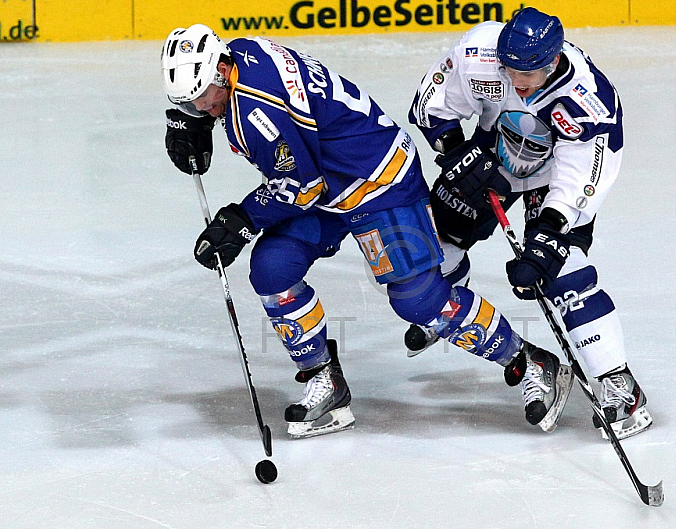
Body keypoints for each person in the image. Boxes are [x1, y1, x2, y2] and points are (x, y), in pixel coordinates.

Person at [160, 24, 574, 438]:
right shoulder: (240, 54)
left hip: (379, 181)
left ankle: (532, 361)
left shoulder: (255, 113)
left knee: (418, 299)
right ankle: (324, 378)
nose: (201, 108)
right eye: (189, 105)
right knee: (272, 268)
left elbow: (301, 186)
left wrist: (241, 218)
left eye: (200, 100)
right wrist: (193, 120)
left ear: (220, 73)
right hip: (328, 182)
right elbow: (302, 170)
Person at [407, 7, 652, 439]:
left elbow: (579, 181)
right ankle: (451, 300)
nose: (517, 80)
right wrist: (457, 154)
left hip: (554, 175)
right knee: (432, 248)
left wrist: (549, 236)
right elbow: (433, 106)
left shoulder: (587, 101)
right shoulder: (480, 50)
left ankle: (618, 383)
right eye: (510, 68)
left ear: (554, 60)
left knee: (561, 273)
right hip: (491, 154)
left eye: (530, 72)